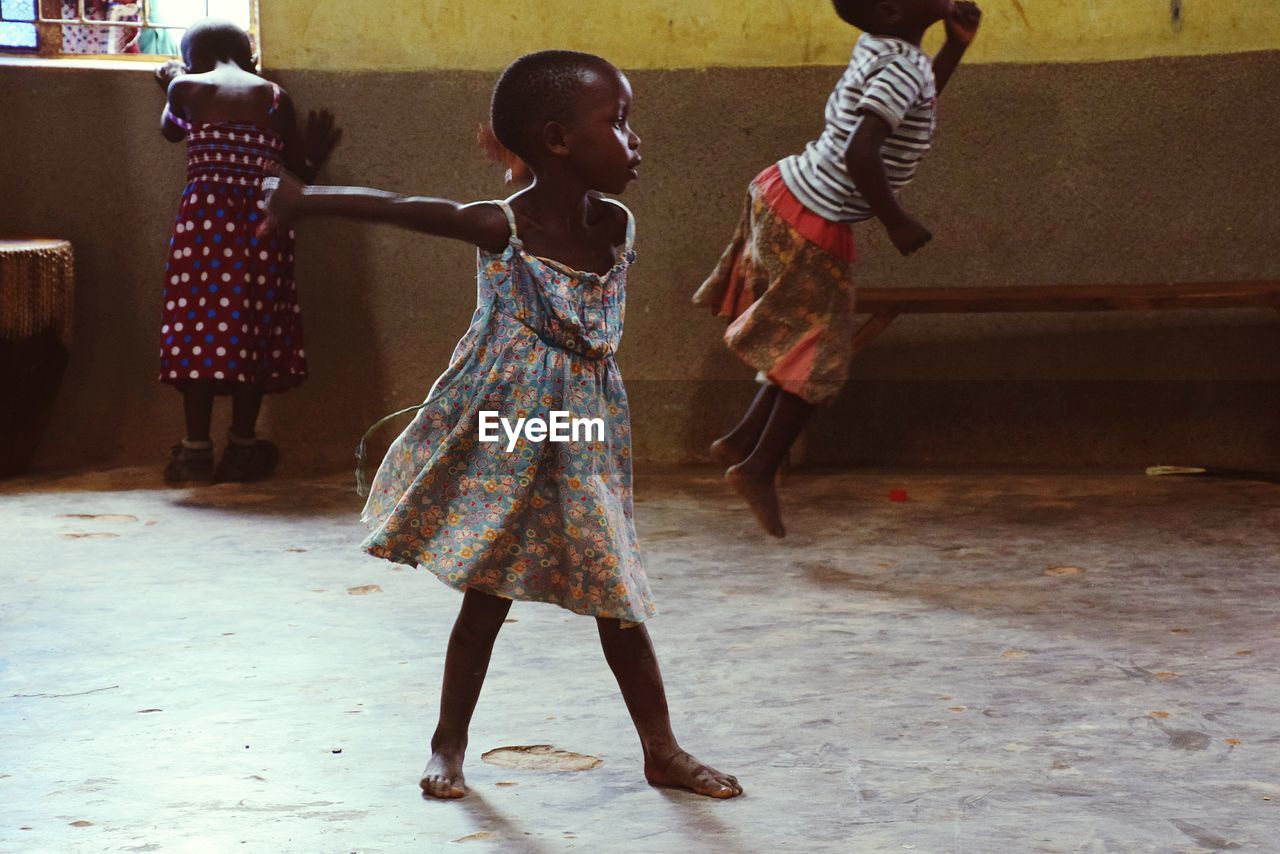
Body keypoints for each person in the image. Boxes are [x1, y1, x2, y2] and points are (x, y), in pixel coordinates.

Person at [259, 50, 743, 800]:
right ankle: (446, 747)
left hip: (585, 432)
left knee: (614, 586)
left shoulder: (614, 220)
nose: (633, 139)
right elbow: (401, 207)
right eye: (616, 123)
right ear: (556, 139)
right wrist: (302, 201)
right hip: (513, 431)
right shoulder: (500, 227)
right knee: (489, 588)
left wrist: (521, 156)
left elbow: (554, 198)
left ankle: (662, 751)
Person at [693, 0, 982, 537]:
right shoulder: (901, 61)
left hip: (786, 194)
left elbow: (915, 101)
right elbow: (861, 151)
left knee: (802, 339)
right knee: (820, 358)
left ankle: (741, 437)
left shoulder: (891, 50)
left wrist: (954, 46)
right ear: (896, 12)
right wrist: (896, 221)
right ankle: (756, 467)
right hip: (813, 218)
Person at [156, 18, 340, 482]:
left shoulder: (184, 88)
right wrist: (316, 155)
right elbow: (299, 173)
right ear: (251, 57)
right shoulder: (275, 96)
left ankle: (196, 449)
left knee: (196, 325)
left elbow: (171, 132)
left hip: (204, 226)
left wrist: (169, 85)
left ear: (190, 59)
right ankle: (242, 445)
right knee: (253, 325)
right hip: (264, 222)